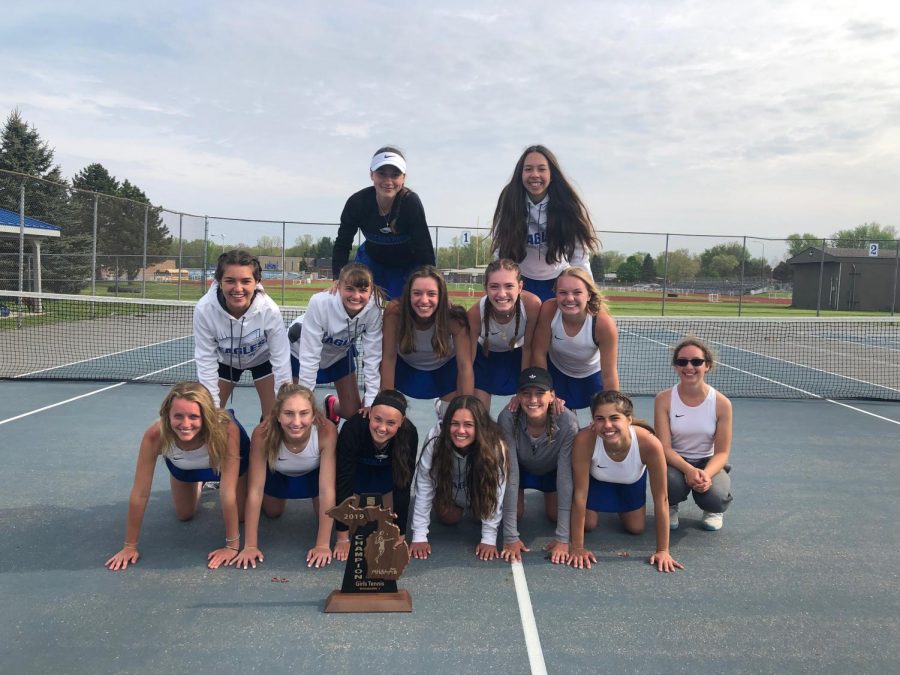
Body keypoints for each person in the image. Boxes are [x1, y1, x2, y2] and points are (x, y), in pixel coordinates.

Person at [105, 382, 249, 571]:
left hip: (225, 463)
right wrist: (129, 546)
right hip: (185, 466)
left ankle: (215, 479)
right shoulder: (155, 436)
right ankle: (198, 482)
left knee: (240, 516)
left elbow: (227, 492)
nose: (185, 424)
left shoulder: (227, 431)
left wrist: (232, 546)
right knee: (184, 514)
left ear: (206, 417)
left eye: (194, 416)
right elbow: (140, 493)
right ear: (167, 415)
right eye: (178, 416)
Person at [568, 391, 683, 572]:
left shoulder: (650, 444)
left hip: (631, 483)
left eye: (614, 418)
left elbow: (662, 499)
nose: (607, 425)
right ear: (593, 420)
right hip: (598, 482)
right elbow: (580, 495)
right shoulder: (585, 440)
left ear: (629, 419)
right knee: (588, 525)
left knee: (636, 528)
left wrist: (663, 550)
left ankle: (620, 506)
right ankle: (604, 505)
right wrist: (577, 547)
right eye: (600, 419)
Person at [231, 384, 338, 570]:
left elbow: (327, 489)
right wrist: (250, 546)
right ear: (277, 415)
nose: (296, 422)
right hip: (277, 476)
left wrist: (322, 545)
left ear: (313, 415)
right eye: (288, 413)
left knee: (325, 515)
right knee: (273, 513)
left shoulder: (326, 431)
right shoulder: (262, 434)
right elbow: (255, 491)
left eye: (304, 413)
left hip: (313, 477)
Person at [490, 145, 599, 301]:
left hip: (558, 281)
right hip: (521, 282)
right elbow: (500, 253)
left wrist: (591, 295)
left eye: (541, 169)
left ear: (552, 174)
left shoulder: (567, 202)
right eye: (528, 169)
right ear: (520, 174)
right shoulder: (509, 200)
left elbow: (579, 257)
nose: (535, 175)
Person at [193, 249, 292, 419]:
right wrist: (214, 410)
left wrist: (286, 402)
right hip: (224, 361)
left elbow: (281, 360)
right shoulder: (204, 310)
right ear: (219, 281)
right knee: (209, 416)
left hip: (263, 360)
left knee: (276, 418)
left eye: (246, 281)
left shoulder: (269, 310)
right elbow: (205, 360)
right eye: (230, 281)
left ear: (257, 281)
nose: (238, 289)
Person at [410, 396, 508, 561]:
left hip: (479, 491)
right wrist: (419, 536)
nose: (460, 431)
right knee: (449, 518)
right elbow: (424, 484)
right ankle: (451, 502)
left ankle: (477, 508)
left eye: (468, 425)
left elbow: (497, 490)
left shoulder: (495, 445)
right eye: (454, 423)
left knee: (482, 515)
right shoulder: (436, 439)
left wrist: (489, 539)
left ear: (480, 426)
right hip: (452, 489)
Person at [497, 367, 579, 563]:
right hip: (523, 470)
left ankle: (548, 494)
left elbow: (565, 478)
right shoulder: (507, 418)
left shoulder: (568, 422)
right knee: (514, 515)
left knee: (554, 514)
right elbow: (511, 473)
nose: (533, 400)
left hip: (552, 471)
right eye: (526, 394)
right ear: (517, 396)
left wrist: (562, 539)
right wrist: (510, 537)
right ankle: (524, 496)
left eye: (540, 393)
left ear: (552, 395)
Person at [331, 146, 436, 300]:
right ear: (371, 175)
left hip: (405, 265)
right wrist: (338, 277)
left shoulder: (410, 203)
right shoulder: (357, 202)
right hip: (371, 260)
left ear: (403, 178)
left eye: (395, 175)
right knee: (350, 297)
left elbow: (424, 247)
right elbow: (343, 243)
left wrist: (433, 283)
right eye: (381, 174)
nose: (388, 181)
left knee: (402, 308)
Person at [654, 338, 734, 532]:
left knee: (715, 496)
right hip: (675, 462)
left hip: (707, 461)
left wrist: (705, 475)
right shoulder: (663, 399)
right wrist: (689, 470)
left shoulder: (722, 403)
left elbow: (722, 452)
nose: (689, 367)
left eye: (696, 362)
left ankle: (713, 510)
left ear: (707, 365)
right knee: (668, 481)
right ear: (675, 366)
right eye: (682, 362)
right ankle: (670, 504)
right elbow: (664, 447)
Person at [289, 263, 385, 423]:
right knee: (297, 413)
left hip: (339, 353)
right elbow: (310, 356)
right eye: (350, 289)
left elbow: (372, 356)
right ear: (338, 286)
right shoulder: (320, 303)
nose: (356, 296)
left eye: (362, 290)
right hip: (298, 352)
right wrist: (306, 401)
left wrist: (370, 400)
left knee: (353, 413)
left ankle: (331, 406)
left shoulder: (374, 308)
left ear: (370, 290)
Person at [333, 389, 418, 560]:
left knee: (383, 522)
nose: (382, 428)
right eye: (377, 419)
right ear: (369, 413)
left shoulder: (409, 434)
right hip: (359, 474)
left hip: (386, 475)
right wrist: (342, 538)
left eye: (391, 423)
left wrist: (400, 536)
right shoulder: (352, 428)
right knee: (356, 524)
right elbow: (343, 480)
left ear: (402, 421)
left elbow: (403, 486)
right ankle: (332, 405)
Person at [381, 265, 473, 403]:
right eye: (417, 293)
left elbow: (464, 366)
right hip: (406, 367)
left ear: (441, 296)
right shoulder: (395, 312)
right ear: (408, 294)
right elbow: (388, 358)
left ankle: (443, 406)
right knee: (376, 402)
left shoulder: (454, 317)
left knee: (454, 411)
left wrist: (467, 407)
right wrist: (385, 403)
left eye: (431, 294)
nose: (424, 300)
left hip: (444, 369)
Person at [531, 267, 618, 412]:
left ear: (589, 295)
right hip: (557, 372)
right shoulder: (549, 310)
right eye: (563, 292)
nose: (569, 298)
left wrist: (615, 410)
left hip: (591, 376)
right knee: (557, 418)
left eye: (577, 292)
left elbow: (609, 375)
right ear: (556, 294)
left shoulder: (603, 323)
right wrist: (547, 390)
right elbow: (539, 353)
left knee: (604, 417)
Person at [467, 259, 541, 410]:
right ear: (485, 288)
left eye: (509, 286)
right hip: (485, 359)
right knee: (478, 414)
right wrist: (465, 400)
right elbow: (468, 363)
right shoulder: (475, 313)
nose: (502, 294)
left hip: (517, 356)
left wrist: (522, 390)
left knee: (524, 409)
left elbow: (528, 350)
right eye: (494, 286)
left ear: (520, 287)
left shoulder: (532, 305)